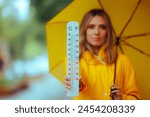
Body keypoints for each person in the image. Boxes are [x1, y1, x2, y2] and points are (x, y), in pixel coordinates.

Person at [64, 9, 140, 100]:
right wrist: (76, 84)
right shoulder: (74, 59)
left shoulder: (122, 60)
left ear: (108, 31)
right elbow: (76, 85)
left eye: (102, 27)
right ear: (84, 30)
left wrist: (121, 99)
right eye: (91, 27)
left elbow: (136, 98)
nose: (97, 32)